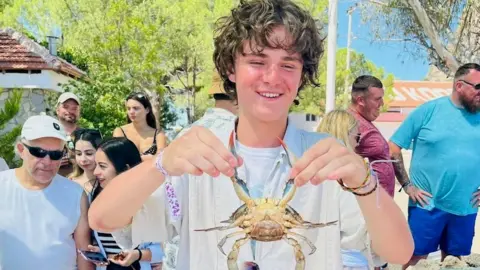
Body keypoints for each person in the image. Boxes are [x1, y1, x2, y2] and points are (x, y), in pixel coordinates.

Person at [89, 1, 414, 269]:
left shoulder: (326, 161)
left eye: (288, 64)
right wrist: (160, 164)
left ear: (303, 75)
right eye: (257, 61)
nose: (272, 78)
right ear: (231, 68)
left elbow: (398, 254)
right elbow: (103, 218)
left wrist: (364, 182)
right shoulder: (194, 159)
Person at [388, 63, 480, 269]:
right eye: (478, 87)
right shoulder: (429, 111)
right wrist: (407, 185)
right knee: (414, 261)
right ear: (459, 85)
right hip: (427, 206)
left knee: (454, 262)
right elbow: (393, 147)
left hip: (466, 207)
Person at [0, 115, 93, 270]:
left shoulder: (76, 194)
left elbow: (84, 255)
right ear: (21, 150)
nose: (47, 161)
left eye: (56, 154)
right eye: (39, 152)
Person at [87, 137, 163, 270]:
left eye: (102, 166)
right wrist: (99, 252)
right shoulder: (94, 199)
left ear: (126, 169)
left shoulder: (152, 200)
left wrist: (138, 255)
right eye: (96, 165)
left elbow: (166, 250)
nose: (95, 172)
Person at [317, 110, 368, 270]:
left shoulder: (307, 167)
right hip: (348, 260)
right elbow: (355, 226)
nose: (358, 143)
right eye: (357, 137)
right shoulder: (351, 172)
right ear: (345, 135)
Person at [348, 75, 395, 198]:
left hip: (381, 204)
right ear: (360, 100)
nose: (382, 103)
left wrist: (406, 184)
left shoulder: (364, 120)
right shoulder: (350, 123)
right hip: (368, 205)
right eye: (377, 99)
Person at [113, 92, 167, 160]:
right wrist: (148, 158)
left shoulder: (158, 134)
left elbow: (161, 160)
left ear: (147, 110)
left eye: (136, 108)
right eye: (128, 108)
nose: (131, 112)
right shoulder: (120, 131)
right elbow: (117, 158)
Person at [68, 128, 103, 193]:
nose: (83, 159)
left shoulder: (109, 181)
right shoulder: (70, 182)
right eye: (78, 154)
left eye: (89, 153)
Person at [56, 92, 82, 177]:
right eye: (65, 107)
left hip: (81, 186)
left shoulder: (86, 135)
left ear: (79, 112)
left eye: (74, 108)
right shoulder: (48, 134)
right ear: (57, 110)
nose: (70, 111)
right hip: (54, 185)